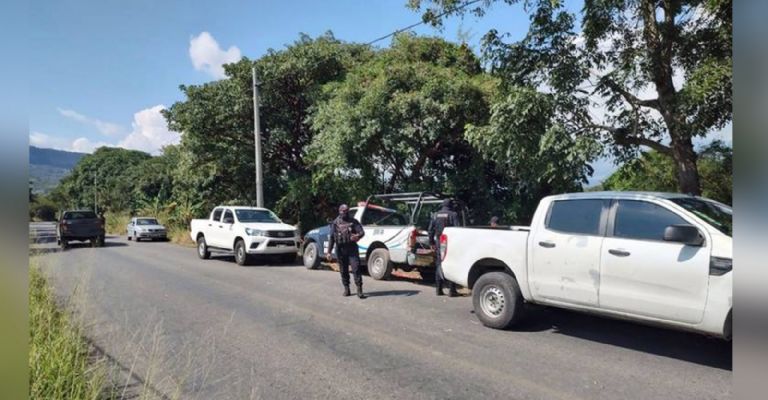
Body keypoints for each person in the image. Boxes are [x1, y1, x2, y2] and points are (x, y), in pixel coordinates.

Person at [326, 204, 366, 299]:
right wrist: (329, 252)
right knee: (343, 270)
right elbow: (332, 238)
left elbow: (362, 232)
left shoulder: (353, 222)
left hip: (352, 248)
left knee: (356, 269)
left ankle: (359, 290)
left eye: (346, 211)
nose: (345, 213)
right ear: (340, 211)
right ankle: (346, 288)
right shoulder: (335, 223)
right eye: (343, 211)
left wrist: (357, 236)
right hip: (340, 249)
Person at [428, 198, 460, 297]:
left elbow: (430, 230)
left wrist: (431, 242)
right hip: (449, 243)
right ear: (450, 205)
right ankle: (452, 290)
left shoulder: (435, 215)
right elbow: (457, 230)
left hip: (439, 242)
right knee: (451, 264)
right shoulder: (453, 215)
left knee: (439, 264)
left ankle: (439, 289)